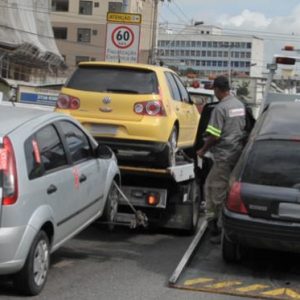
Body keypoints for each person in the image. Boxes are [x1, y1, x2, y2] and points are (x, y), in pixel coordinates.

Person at [197, 75, 246, 244]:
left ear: (217, 90)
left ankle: (215, 228)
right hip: (237, 155)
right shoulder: (240, 105)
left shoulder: (220, 109)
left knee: (212, 189)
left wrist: (202, 150)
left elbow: (215, 136)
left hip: (223, 156)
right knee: (229, 190)